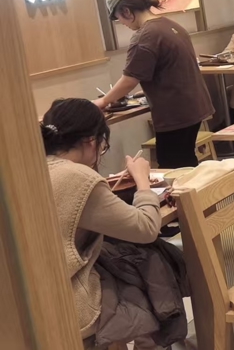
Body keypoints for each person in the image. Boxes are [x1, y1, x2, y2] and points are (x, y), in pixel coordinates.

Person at [42, 98, 162, 349]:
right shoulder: (79, 177)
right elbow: (146, 228)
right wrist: (142, 181)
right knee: (153, 264)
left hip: (30, 296)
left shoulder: (32, 168)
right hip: (69, 300)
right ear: (91, 141)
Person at [94, 0, 214, 169]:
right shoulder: (170, 25)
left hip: (176, 114)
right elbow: (172, 70)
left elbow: (129, 79)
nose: (123, 23)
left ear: (127, 11)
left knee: (174, 169)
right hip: (194, 107)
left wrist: (103, 101)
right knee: (186, 161)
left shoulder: (145, 35)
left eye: (119, 18)